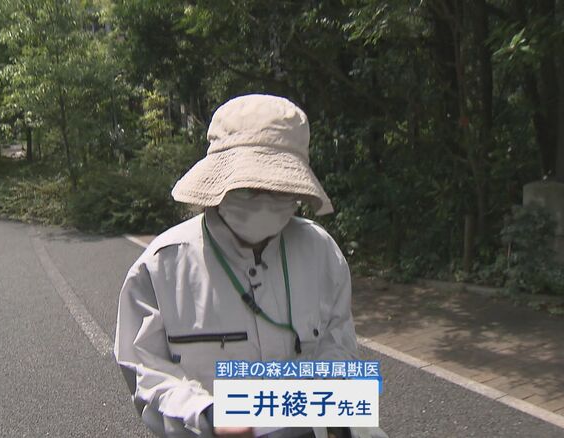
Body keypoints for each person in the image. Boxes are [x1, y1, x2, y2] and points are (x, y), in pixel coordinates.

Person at [114, 94, 387, 438]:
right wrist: (206, 413)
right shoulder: (161, 266)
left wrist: (332, 407)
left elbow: (339, 343)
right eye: (250, 188)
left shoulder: (320, 251)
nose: (263, 199)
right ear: (219, 182)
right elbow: (144, 366)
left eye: (277, 189)